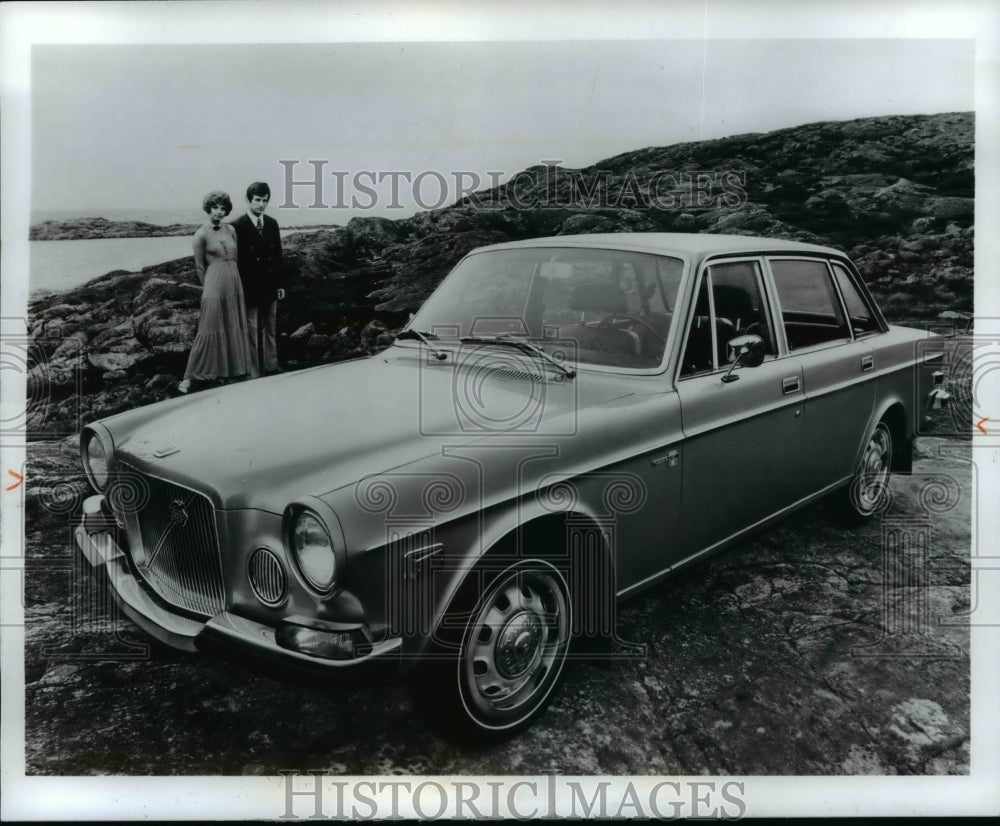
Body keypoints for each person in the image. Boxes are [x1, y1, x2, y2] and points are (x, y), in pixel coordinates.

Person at [177, 191, 253, 393]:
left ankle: (231, 371)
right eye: (215, 207)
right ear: (209, 209)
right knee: (208, 327)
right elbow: (200, 267)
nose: (219, 211)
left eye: (222, 208)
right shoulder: (200, 234)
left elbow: (235, 258)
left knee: (232, 323)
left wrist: (234, 277)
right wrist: (207, 289)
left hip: (233, 278)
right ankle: (189, 377)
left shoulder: (231, 230)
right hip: (214, 281)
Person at [231, 182, 286, 377]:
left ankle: (271, 365)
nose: (261, 204)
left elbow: (278, 255)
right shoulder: (237, 226)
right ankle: (253, 370)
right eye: (257, 200)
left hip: (270, 284)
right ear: (248, 200)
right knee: (251, 329)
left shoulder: (272, 223)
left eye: (265, 200)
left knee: (270, 327)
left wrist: (280, 284)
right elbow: (235, 261)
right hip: (250, 286)